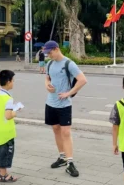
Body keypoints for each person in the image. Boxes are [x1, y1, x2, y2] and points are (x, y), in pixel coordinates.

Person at [44, 40, 87, 177]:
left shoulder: (69, 64)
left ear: (56, 49)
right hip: (50, 102)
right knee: (56, 129)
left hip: (64, 104)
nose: (48, 55)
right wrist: (47, 85)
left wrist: (68, 93)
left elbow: (82, 80)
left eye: (50, 52)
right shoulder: (49, 64)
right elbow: (47, 78)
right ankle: (62, 157)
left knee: (66, 132)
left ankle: (70, 162)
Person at [0, 70, 19, 182]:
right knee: (5, 152)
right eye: (13, 81)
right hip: (5, 132)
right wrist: (16, 111)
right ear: (8, 82)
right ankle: (3, 175)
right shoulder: (8, 98)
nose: (13, 83)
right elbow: (8, 116)